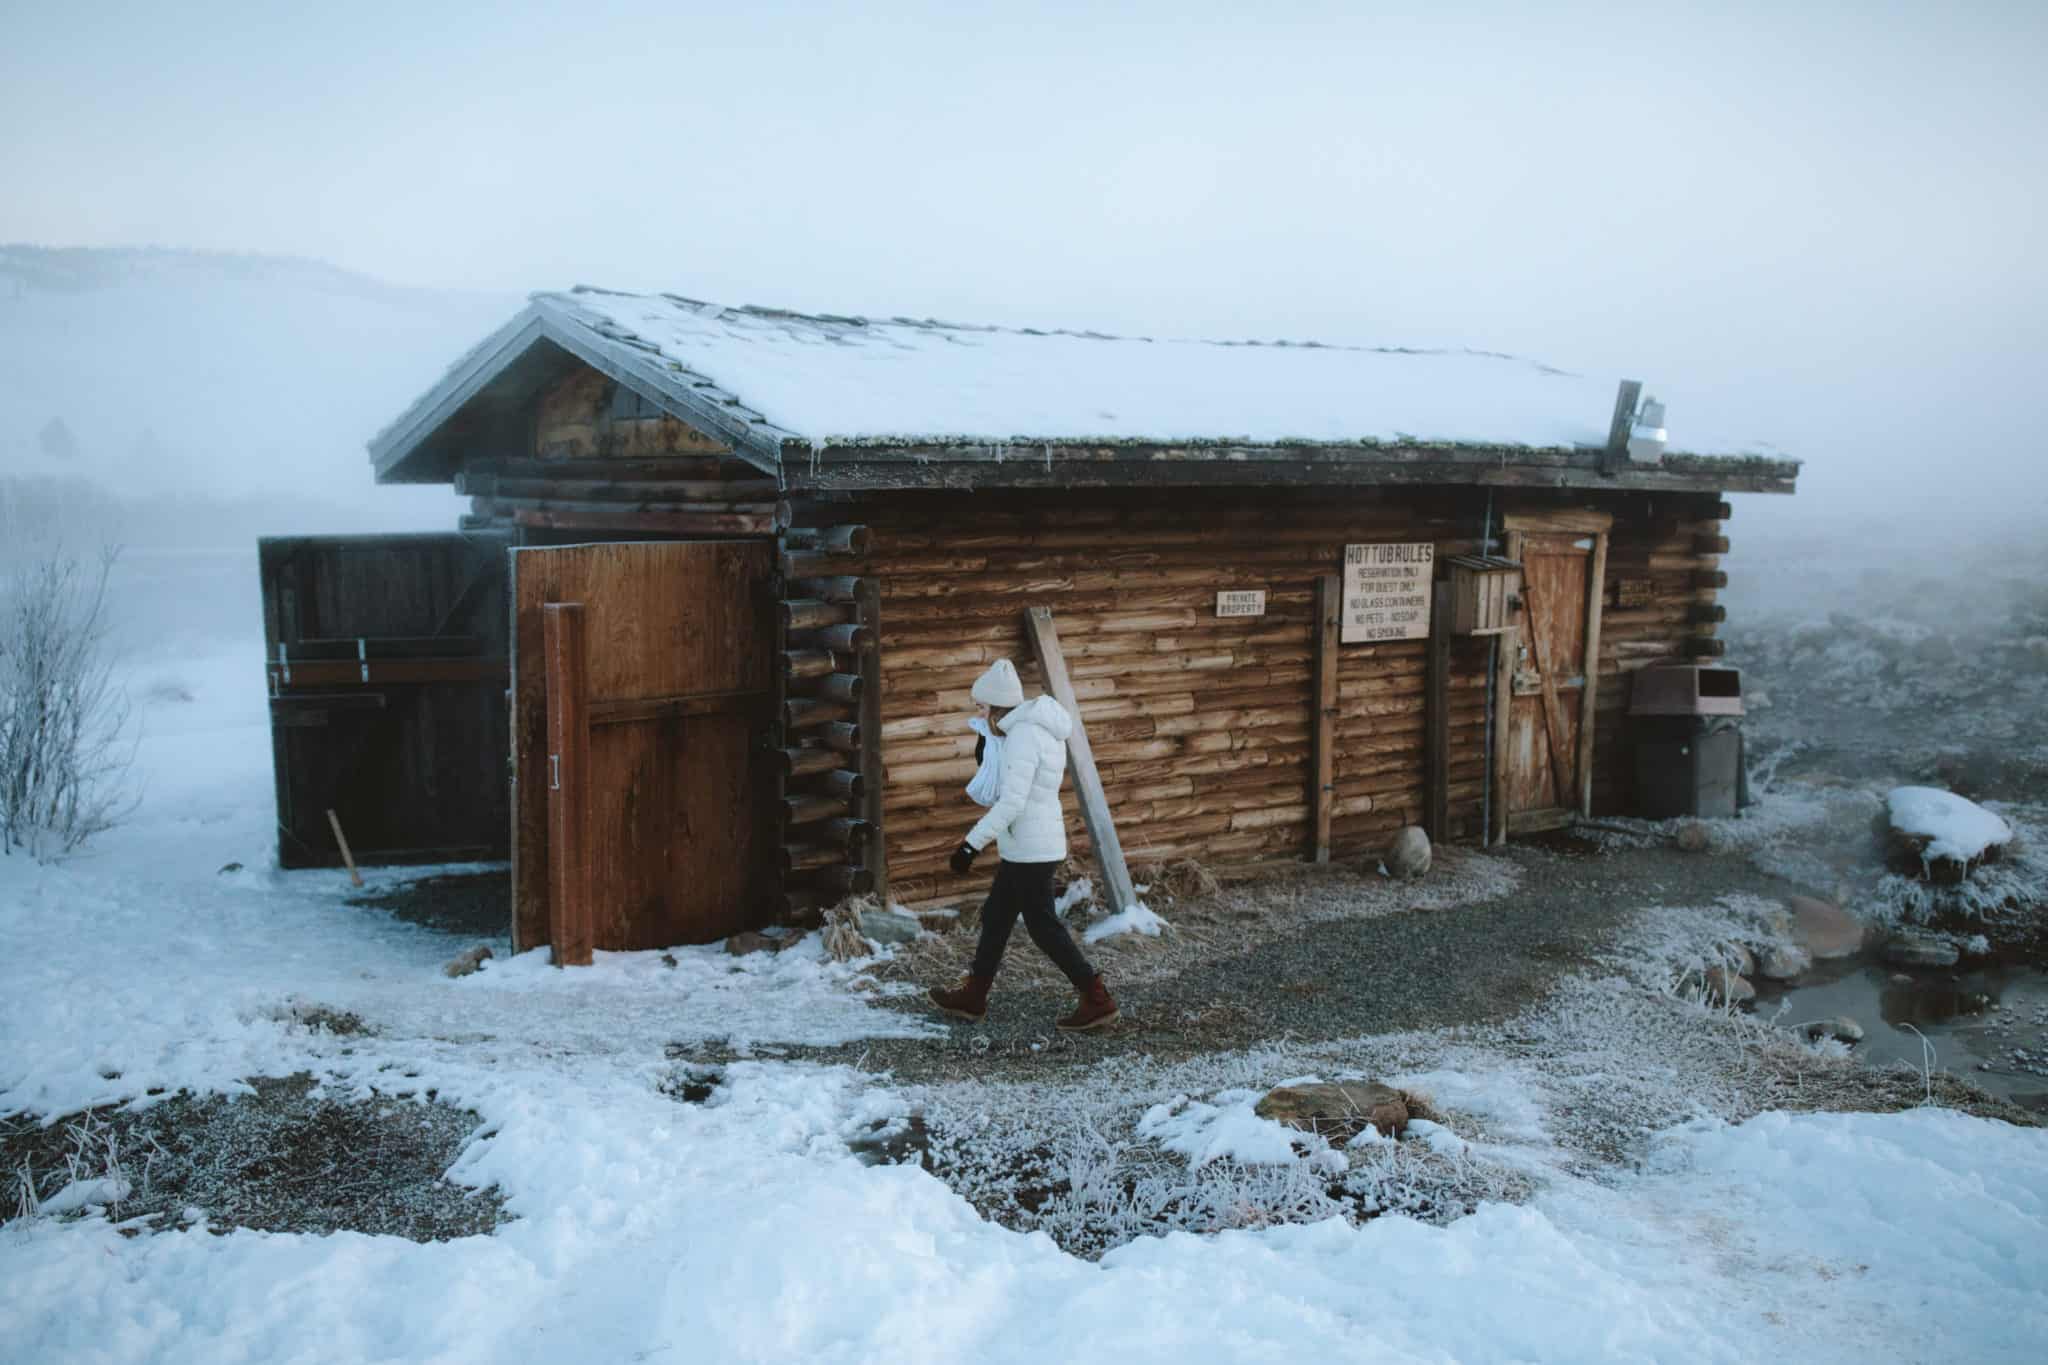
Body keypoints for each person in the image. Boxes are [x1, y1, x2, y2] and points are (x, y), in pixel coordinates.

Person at [928, 659, 1119, 1032]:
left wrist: (970, 845)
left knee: (1043, 926)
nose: (979, 714)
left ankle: (1097, 998)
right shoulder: (1029, 730)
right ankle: (974, 996)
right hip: (1027, 844)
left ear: (998, 706)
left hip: (1031, 847)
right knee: (997, 916)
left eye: (982, 707)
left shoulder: (1022, 737)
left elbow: (1012, 802)